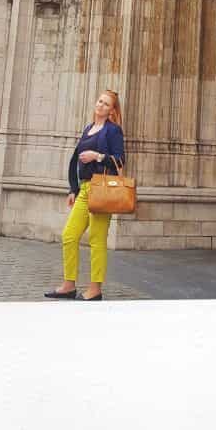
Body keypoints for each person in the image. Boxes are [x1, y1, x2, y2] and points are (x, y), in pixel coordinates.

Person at [45, 90, 126, 302]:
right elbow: (75, 160)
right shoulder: (88, 129)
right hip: (84, 190)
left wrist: (97, 156)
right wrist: (73, 188)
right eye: (100, 101)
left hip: (101, 191)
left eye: (106, 104)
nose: (100, 105)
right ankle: (69, 285)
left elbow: (120, 160)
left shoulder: (113, 131)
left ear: (112, 111)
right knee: (69, 235)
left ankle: (95, 289)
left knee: (97, 241)